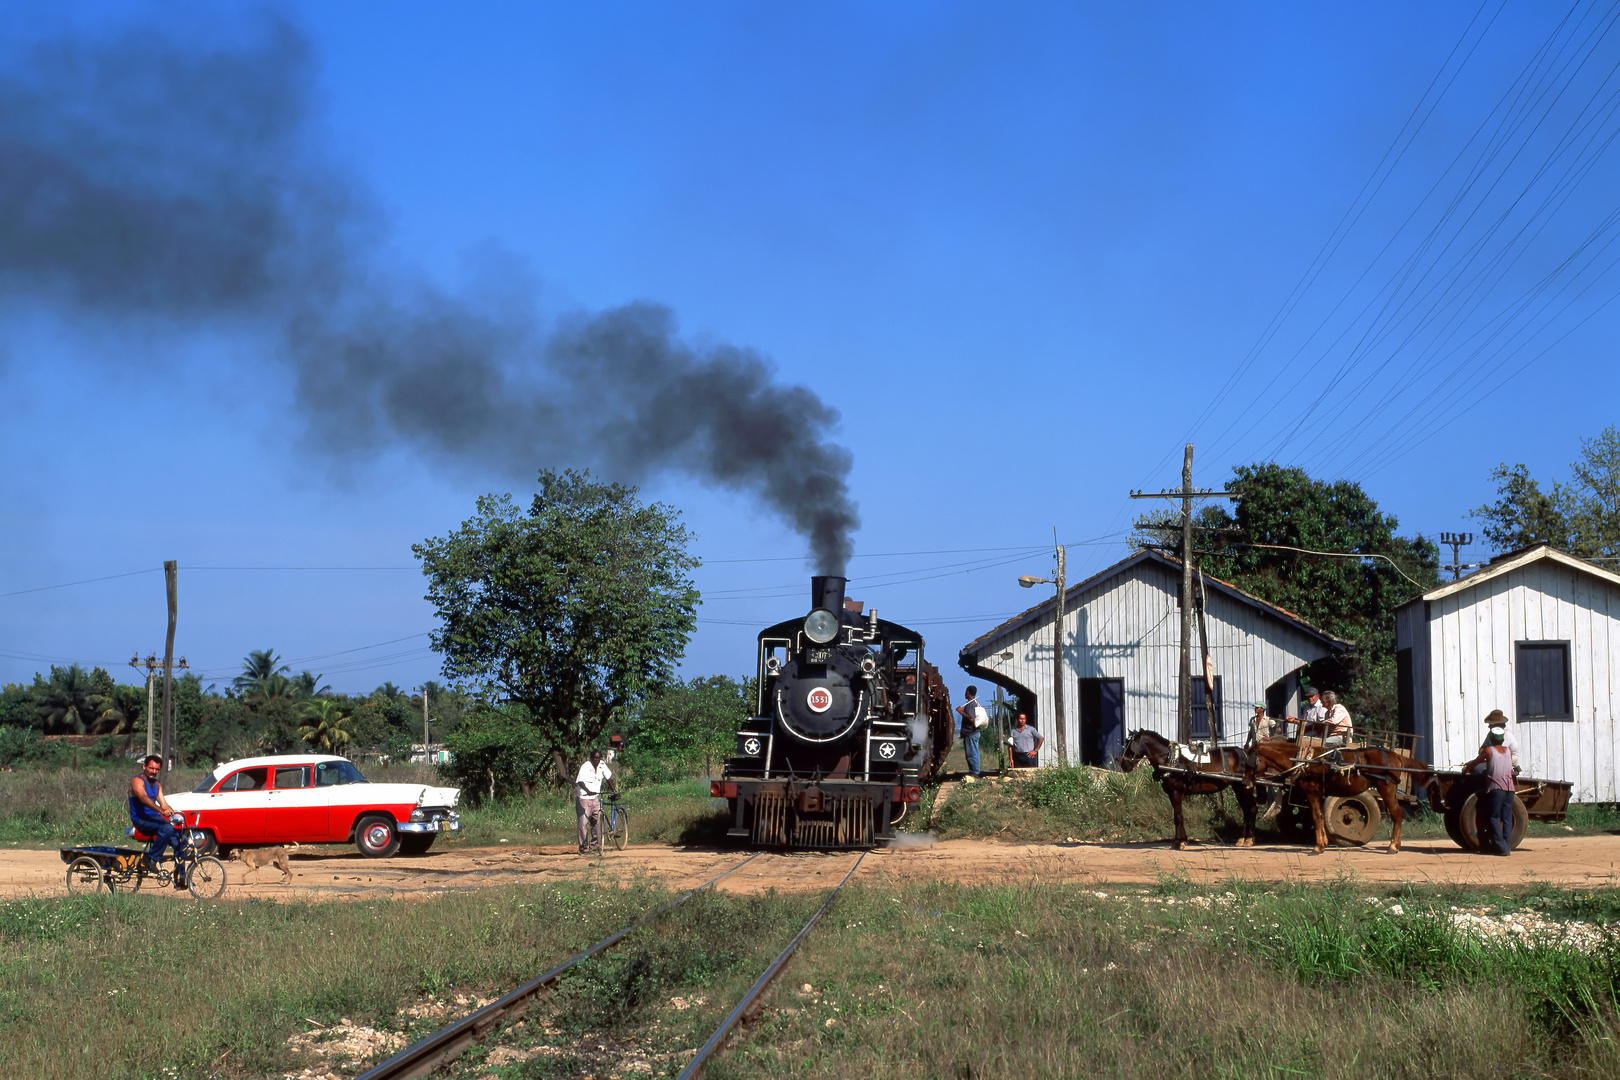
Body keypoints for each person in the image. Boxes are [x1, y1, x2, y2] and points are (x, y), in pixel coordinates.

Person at [1461, 729, 1516, 855]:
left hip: (1496, 788)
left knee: (1494, 817)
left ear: (1491, 740)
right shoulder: (1509, 751)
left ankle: (1501, 847)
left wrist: (1465, 769)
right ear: (1502, 740)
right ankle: (1506, 845)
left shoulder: (1489, 750)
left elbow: (1476, 762)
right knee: (1506, 817)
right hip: (1510, 788)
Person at [127, 754, 179, 871]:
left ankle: (180, 877)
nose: (154, 771)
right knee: (167, 829)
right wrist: (161, 810)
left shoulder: (157, 785)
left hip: (155, 819)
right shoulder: (137, 781)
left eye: (157, 769)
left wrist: (171, 811)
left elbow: (164, 804)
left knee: (181, 841)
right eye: (151, 768)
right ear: (144, 766)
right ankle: (151, 858)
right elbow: (143, 798)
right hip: (141, 820)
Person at [575, 749, 615, 854]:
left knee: (596, 820)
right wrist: (588, 791)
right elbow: (580, 781)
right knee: (583, 823)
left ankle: (594, 844)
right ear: (591, 758)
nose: (596, 760)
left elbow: (608, 778)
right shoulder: (585, 766)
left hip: (595, 798)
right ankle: (583, 846)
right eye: (594, 758)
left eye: (598, 758)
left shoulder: (602, 765)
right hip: (584, 798)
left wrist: (614, 790)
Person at [954, 685, 988, 778]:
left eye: (966, 691)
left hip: (971, 733)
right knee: (973, 752)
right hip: (973, 733)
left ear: (968, 692)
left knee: (972, 753)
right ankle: (974, 771)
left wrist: (960, 711)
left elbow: (971, 719)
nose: (965, 693)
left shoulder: (970, 705)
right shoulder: (973, 703)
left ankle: (975, 772)